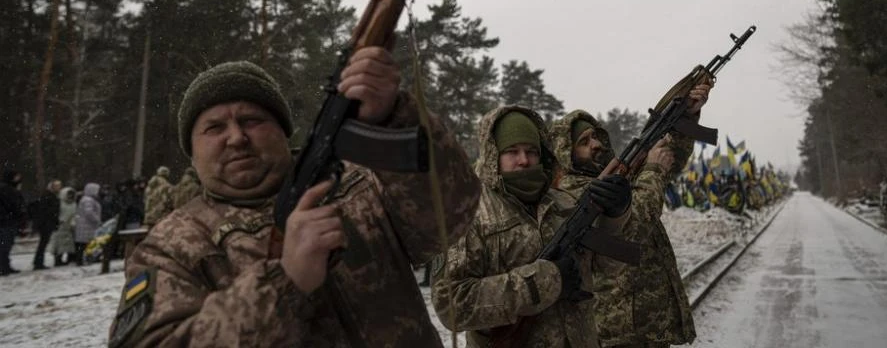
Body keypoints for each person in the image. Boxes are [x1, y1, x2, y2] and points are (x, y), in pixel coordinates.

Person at [108, 54, 480, 347]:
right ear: (192, 153)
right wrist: (285, 281)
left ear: (283, 131)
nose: (236, 137)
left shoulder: (358, 184)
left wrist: (394, 117)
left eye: (252, 120)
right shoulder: (170, 247)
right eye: (214, 127)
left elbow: (453, 215)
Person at [431, 106, 633, 347]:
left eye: (531, 151)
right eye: (512, 152)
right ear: (493, 154)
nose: (524, 160)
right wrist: (547, 281)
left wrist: (616, 214)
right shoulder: (467, 215)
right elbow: (451, 304)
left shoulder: (564, 204)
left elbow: (609, 268)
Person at [548, 81, 710, 348]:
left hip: (645, 322)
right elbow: (634, 226)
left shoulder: (614, 177)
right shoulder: (570, 194)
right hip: (617, 330)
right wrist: (653, 171)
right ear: (565, 152)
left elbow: (670, 159)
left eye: (596, 136)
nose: (596, 144)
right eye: (584, 141)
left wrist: (687, 116)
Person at [1, 168, 28, 275]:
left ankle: (5, 266)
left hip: (8, 221)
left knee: (6, 245)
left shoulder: (9, 189)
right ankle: (4, 267)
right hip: (6, 221)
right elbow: (14, 205)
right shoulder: (7, 189)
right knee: (5, 245)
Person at [30, 179, 62, 270]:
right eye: (57, 186)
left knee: (43, 243)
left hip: (46, 223)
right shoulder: (48, 196)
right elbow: (46, 211)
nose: (59, 188)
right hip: (45, 223)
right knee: (43, 243)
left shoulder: (50, 196)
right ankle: (38, 262)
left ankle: (38, 262)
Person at [74, 182, 102, 265]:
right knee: (85, 244)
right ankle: (84, 259)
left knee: (85, 244)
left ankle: (84, 259)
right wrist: (97, 220)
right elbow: (89, 212)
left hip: (86, 225)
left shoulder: (87, 199)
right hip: (87, 225)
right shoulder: (88, 200)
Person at [51, 186, 77, 266]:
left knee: (69, 245)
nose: (70, 196)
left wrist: (73, 221)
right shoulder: (59, 203)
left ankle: (69, 258)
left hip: (70, 227)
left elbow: (75, 214)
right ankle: (58, 260)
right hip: (60, 226)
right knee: (59, 245)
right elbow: (55, 213)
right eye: (68, 194)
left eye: (71, 195)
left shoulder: (74, 204)